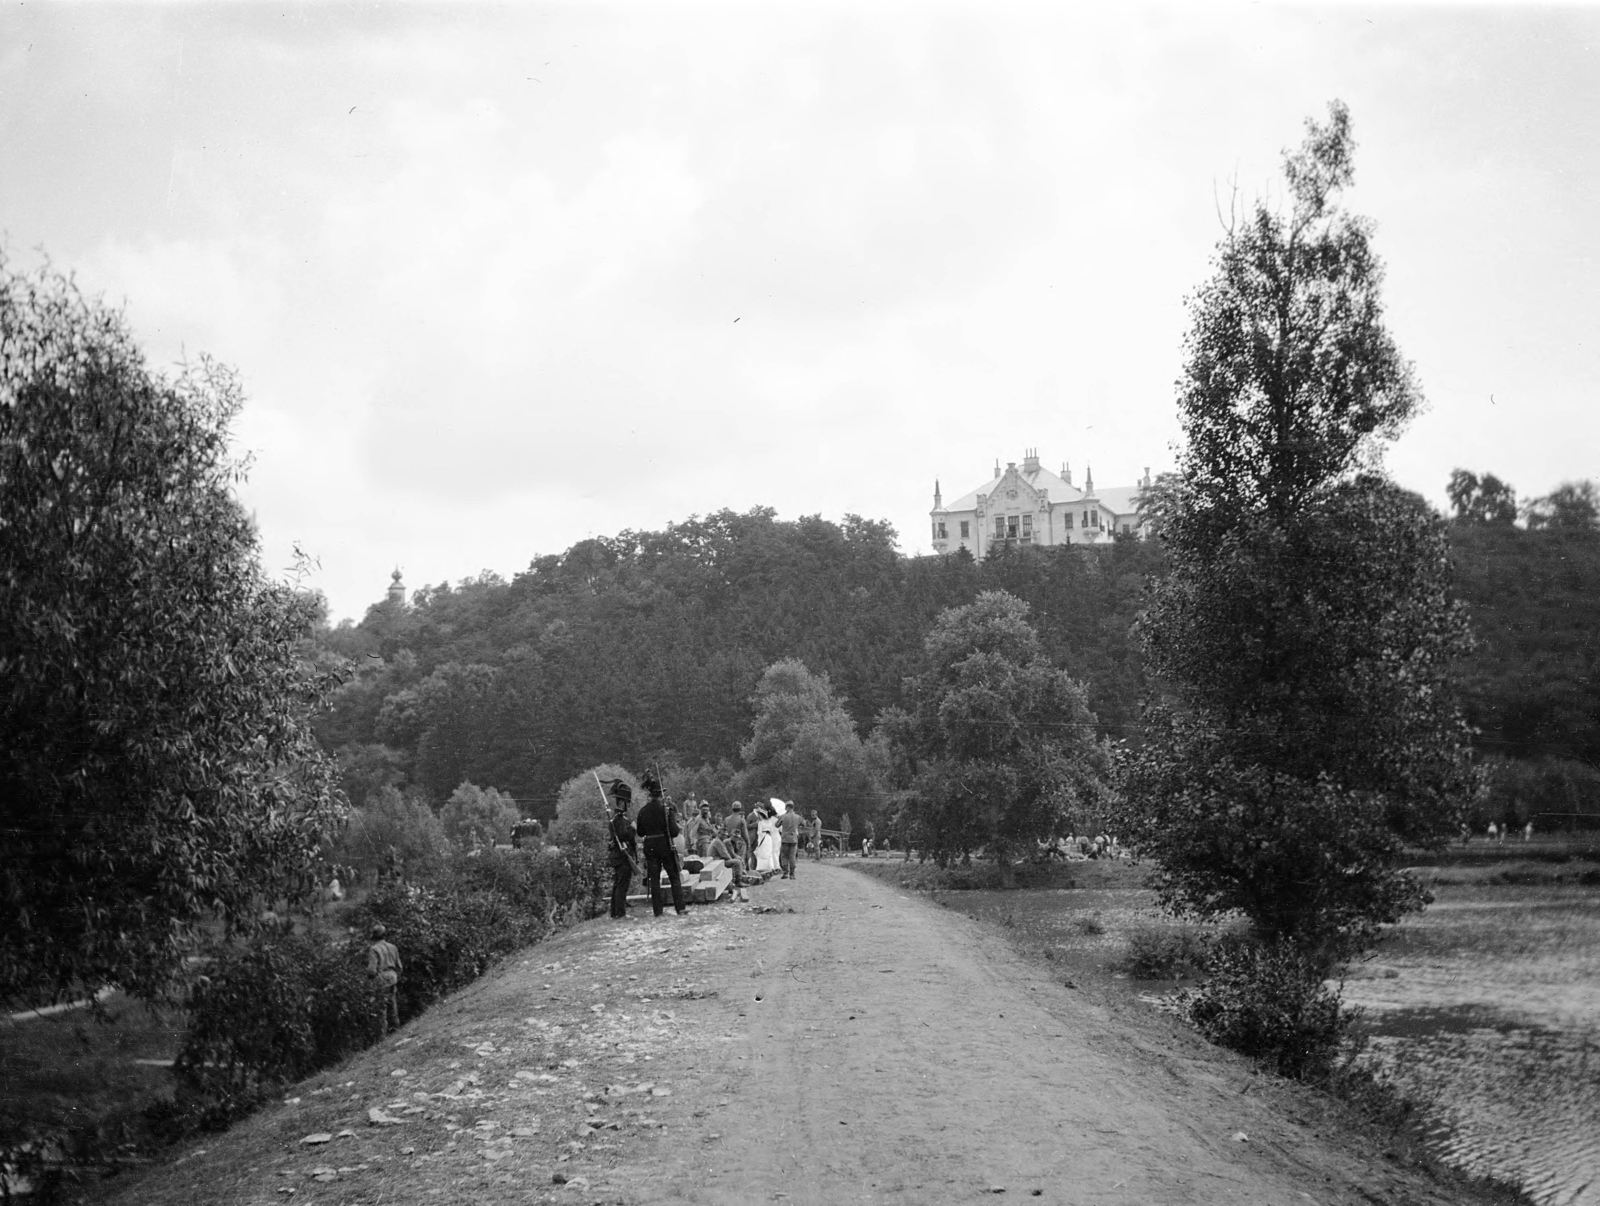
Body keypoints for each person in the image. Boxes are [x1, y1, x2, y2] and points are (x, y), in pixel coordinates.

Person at [634, 775, 688, 916]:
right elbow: (675, 832)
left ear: (650, 794)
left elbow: (640, 832)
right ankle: (680, 908)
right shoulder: (667, 810)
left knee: (654, 879)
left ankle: (658, 911)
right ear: (660, 794)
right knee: (674, 877)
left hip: (650, 846)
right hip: (665, 845)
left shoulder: (643, 811)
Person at [606, 780, 638, 919]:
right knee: (622, 884)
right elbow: (625, 835)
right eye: (627, 802)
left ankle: (615, 912)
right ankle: (620, 912)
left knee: (618, 884)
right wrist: (633, 828)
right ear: (622, 803)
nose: (629, 805)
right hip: (622, 855)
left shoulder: (617, 818)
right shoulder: (619, 819)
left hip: (618, 855)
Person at [367, 923, 403, 1035]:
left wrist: (370, 979)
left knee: (382, 1011)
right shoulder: (393, 947)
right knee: (393, 1007)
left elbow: (372, 971)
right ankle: (397, 1033)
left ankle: (382, 1038)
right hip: (393, 977)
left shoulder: (374, 949)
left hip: (381, 979)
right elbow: (399, 967)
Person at [707, 827, 750, 901]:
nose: (724, 836)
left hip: (716, 862)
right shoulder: (718, 842)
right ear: (719, 834)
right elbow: (725, 855)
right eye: (723, 834)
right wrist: (735, 860)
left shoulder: (718, 841)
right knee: (737, 862)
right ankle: (738, 881)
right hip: (716, 863)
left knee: (736, 861)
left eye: (725, 835)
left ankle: (735, 879)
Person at [779, 801, 801, 879]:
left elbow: (776, 825)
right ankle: (792, 874)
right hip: (794, 839)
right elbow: (804, 823)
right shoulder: (797, 817)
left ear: (787, 807)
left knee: (784, 856)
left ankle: (785, 872)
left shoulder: (783, 816)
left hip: (785, 838)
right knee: (792, 856)